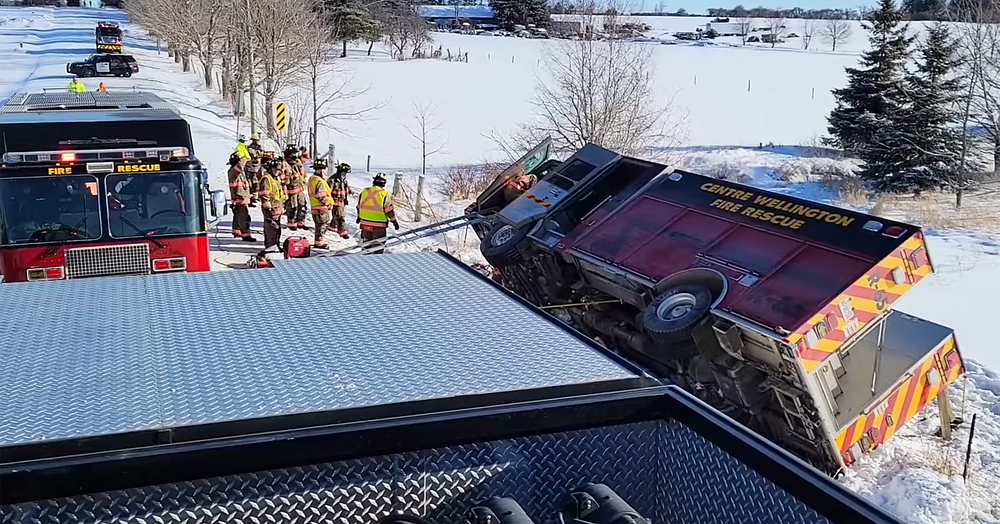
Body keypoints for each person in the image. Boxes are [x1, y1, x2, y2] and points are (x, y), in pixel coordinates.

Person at [356, 173, 398, 254]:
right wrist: (394, 222)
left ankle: (364, 262)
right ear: (383, 183)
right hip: (379, 226)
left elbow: (359, 206)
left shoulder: (364, 191)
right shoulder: (384, 194)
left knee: (366, 245)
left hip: (365, 224)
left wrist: (358, 217)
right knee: (378, 247)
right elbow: (389, 210)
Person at [257, 158, 287, 250]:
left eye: (279, 170)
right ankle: (271, 248)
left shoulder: (276, 179)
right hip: (271, 210)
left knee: (276, 230)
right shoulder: (266, 179)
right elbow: (264, 195)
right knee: (271, 230)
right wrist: (268, 208)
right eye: (275, 170)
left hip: (277, 209)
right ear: (271, 169)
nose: (277, 172)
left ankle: (275, 246)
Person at [227, 153, 257, 242]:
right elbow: (240, 167)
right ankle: (246, 235)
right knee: (244, 217)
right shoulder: (233, 171)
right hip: (239, 198)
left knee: (238, 216)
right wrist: (243, 158)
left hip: (242, 198)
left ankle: (237, 231)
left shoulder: (239, 173)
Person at [306, 159, 334, 249]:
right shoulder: (319, 181)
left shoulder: (312, 179)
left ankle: (318, 242)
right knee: (323, 225)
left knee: (319, 225)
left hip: (315, 207)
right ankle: (319, 243)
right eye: (323, 169)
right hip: (321, 208)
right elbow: (321, 195)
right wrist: (328, 203)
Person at [281, 144, 308, 231]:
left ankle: (301, 222)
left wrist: (304, 150)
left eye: (295, 153)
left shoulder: (297, 161)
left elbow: (305, 157)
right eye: (292, 154)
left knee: (302, 206)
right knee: (292, 207)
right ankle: (291, 223)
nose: (294, 155)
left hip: (300, 189)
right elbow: (282, 178)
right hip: (291, 190)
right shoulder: (284, 164)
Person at [326, 162, 351, 239]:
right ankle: (342, 231)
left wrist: (347, 195)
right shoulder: (332, 180)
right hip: (335, 201)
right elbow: (327, 191)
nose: (345, 174)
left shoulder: (344, 180)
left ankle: (332, 226)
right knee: (340, 216)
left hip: (342, 201)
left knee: (338, 215)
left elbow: (345, 188)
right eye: (344, 172)